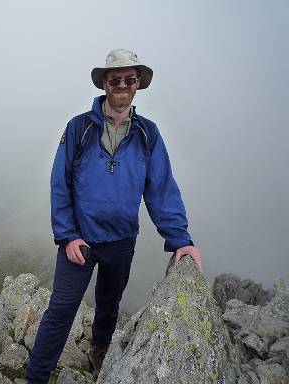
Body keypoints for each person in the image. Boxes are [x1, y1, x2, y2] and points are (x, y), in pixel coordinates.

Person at [24, 49, 202, 383]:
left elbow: (161, 189)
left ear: (138, 85)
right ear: (105, 84)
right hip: (80, 241)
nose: (122, 84)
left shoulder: (148, 134)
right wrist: (67, 235)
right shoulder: (79, 129)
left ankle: (99, 351)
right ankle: (36, 377)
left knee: (109, 304)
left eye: (129, 79)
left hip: (121, 241)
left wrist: (181, 240)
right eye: (115, 79)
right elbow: (59, 183)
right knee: (61, 311)